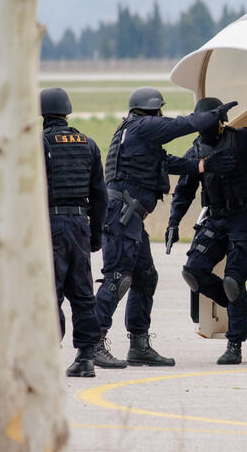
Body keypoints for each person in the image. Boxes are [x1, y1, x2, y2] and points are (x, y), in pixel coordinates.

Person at [94, 87, 237, 367]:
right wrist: (212, 115)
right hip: (122, 216)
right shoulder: (142, 126)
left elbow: (166, 163)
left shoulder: (136, 134)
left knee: (145, 277)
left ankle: (139, 345)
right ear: (153, 110)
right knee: (117, 279)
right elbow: (183, 124)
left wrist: (204, 166)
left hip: (130, 217)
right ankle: (92, 343)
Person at [166, 97, 247, 364]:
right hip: (215, 218)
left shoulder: (242, 139)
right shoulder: (195, 152)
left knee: (233, 281)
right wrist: (173, 222)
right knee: (193, 274)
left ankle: (235, 344)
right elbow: (183, 192)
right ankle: (241, 305)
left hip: (243, 218)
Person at [39, 87, 107, 378]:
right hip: (80, 225)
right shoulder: (88, 144)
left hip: (49, 225)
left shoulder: (38, 144)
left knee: (49, 294)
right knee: (82, 294)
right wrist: (95, 234)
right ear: (67, 112)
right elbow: (100, 195)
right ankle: (86, 357)